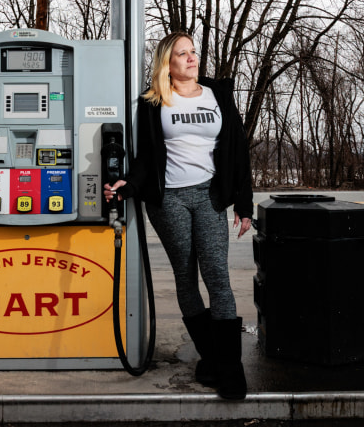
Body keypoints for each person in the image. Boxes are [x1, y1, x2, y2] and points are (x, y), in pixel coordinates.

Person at [104, 31, 253, 400]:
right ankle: (212, 358)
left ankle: (230, 370)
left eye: (193, 52)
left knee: (217, 275)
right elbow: (144, 160)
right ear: (167, 65)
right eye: (182, 54)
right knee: (186, 278)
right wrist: (128, 186)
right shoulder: (153, 102)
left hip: (210, 196)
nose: (191, 58)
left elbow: (238, 151)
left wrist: (244, 204)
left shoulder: (217, 95)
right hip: (168, 199)